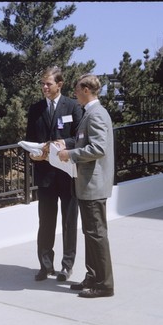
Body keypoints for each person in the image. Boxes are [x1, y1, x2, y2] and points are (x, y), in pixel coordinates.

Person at [56, 74, 114, 298]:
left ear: (87, 89)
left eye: (77, 88)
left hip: (94, 185)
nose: (75, 92)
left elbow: (99, 148)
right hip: (88, 184)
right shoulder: (90, 113)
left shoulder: (96, 114)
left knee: (96, 234)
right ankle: (92, 276)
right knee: (91, 233)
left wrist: (70, 154)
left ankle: (103, 284)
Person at [25, 66, 82, 282]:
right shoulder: (36, 109)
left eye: (48, 84)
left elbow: (79, 136)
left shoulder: (73, 106)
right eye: (42, 84)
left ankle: (67, 266)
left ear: (60, 84)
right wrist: (33, 154)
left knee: (69, 222)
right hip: (45, 174)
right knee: (46, 222)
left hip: (67, 174)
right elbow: (30, 137)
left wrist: (64, 142)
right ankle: (45, 265)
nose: (44, 87)